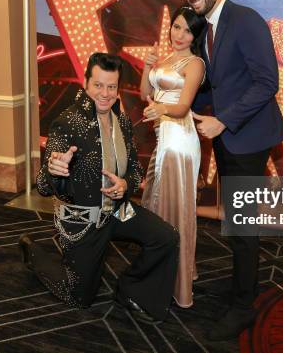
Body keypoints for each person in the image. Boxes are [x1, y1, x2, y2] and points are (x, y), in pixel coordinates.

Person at [179, 0, 283, 340]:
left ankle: (243, 306)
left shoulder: (245, 20)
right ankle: (245, 285)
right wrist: (172, 98)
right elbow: (217, 84)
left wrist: (223, 121)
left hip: (248, 138)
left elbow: (267, 82)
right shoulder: (208, 26)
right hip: (227, 137)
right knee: (236, 218)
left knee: (243, 224)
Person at [22, 53, 179, 323]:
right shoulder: (68, 122)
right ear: (86, 83)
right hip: (83, 219)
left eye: (111, 87)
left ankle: (131, 290)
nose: (104, 94)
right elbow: (44, 186)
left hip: (118, 211)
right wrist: (53, 169)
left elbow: (134, 169)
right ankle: (34, 253)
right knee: (79, 297)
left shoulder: (123, 121)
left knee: (166, 237)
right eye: (98, 85)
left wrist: (125, 184)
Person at [139, 6, 205, 308]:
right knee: (156, 199)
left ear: (195, 35)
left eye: (187, 30)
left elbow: (182, 107)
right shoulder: (164, 59)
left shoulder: (195, 63)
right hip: (162, 137)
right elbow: (145, 94)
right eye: (177, 27)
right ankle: (159, 271)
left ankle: (174, 278)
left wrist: (162, 109)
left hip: (179, 138)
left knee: (175, 205)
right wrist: (146, 67)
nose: (179, 35)